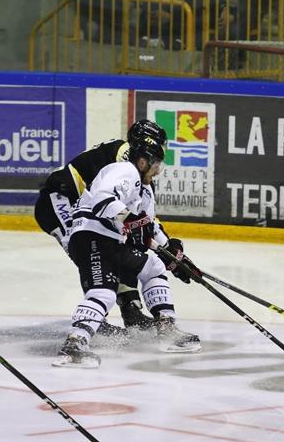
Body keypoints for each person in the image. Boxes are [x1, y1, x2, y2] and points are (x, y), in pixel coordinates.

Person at [52, 123, 202, 368]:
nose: (158, 171)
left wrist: (175, 258)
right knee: (103, 292)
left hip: (110, 241)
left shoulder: (145, 190)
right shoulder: (124, 170)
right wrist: (129, 219)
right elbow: (102, 199)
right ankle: (74, 346)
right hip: (91, 237)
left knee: (154, 265)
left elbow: (150, 226)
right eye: (156, 164)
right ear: (143, 161)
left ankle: (166, 328)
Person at [34, 120, 167, 334]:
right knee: (88, 252)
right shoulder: (125, 160)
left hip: (78, 204)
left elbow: (143, 217)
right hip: (60, 199)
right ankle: (98, 316)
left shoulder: (134, 165)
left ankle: (127, 307)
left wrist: (166, 244)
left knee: (114, 249)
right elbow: (106, 199)